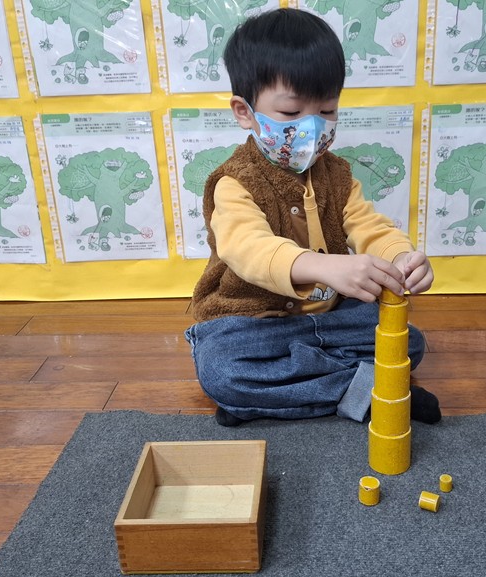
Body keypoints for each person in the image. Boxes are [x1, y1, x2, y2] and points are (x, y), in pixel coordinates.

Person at [184, 8, 440, 427]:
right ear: (245, 112)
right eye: (290, 113)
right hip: (253, 323)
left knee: (409, 342)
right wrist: (324, 266)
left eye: (327, 110)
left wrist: (401, 257)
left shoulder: (337, 175)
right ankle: (365, 390)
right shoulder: (234, 182)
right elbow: (248, 248)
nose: (313, 126)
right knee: (222, 369)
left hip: (329, 318)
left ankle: (281, 390)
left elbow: (369, 226)